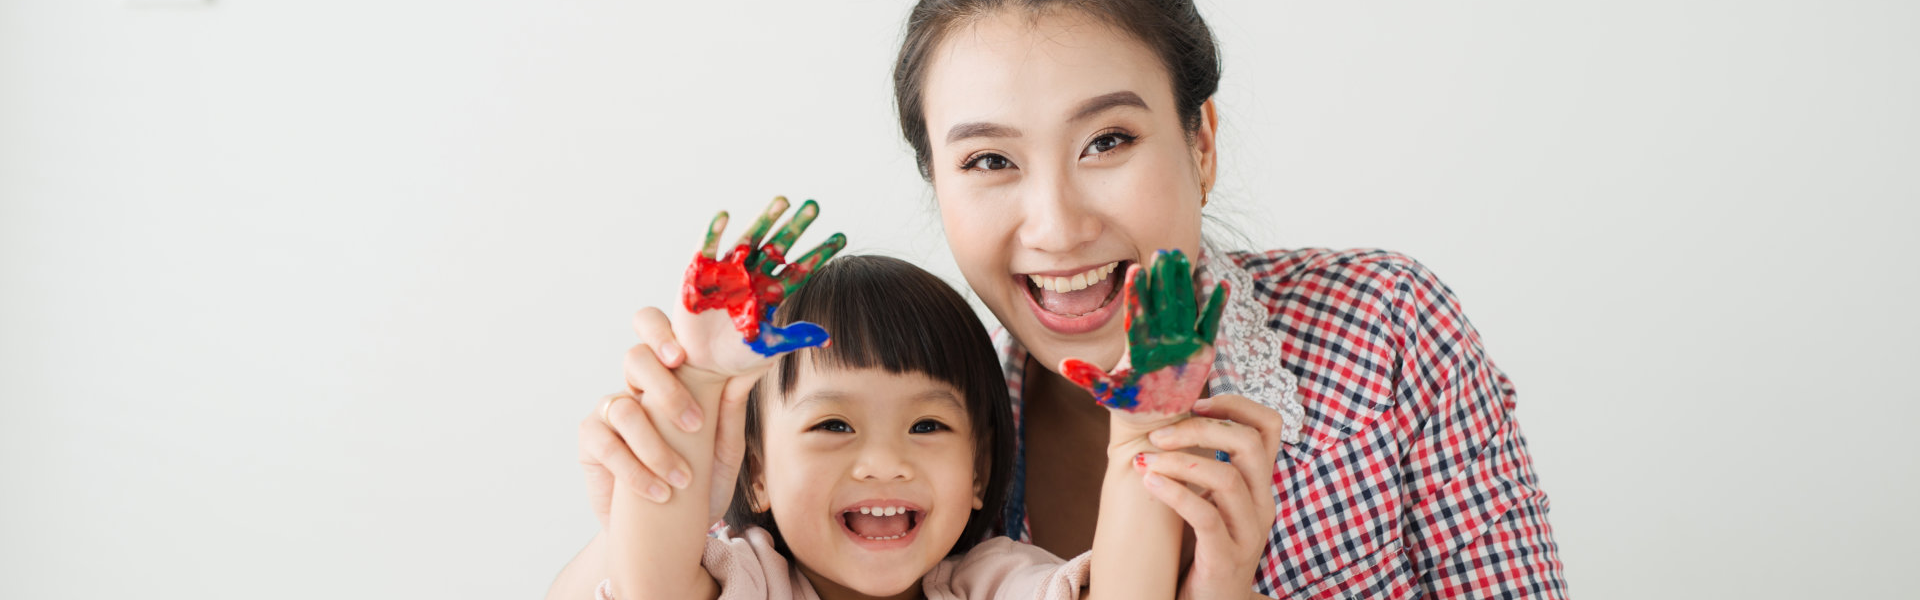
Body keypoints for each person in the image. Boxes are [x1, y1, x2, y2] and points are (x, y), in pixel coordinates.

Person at [556, 1, 1567, 598]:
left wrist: (1151, 431)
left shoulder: (1384, 332)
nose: (1056, 223)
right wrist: (680, 414)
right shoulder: (928, 431)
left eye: (1108, 142)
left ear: (1201, 142)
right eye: (990, 159)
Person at [595, 254, 1254, 600]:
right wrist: (699, 385)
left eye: (928, 426)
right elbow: (648, 586)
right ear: (758, 469)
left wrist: (1139, 435)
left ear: (978, 469)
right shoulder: (753, 582)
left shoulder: (991, 584)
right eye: (832, 425)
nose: (884, 462)